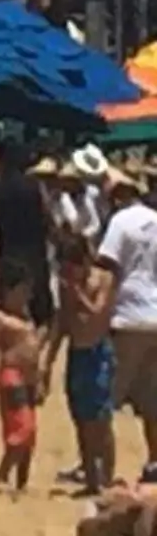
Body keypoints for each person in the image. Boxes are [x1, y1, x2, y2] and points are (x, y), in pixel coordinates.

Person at [42, 234, 118, 492]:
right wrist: (48, 360)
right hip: (77, 353)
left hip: (98, 353)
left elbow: (98, 313)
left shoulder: (103, 279)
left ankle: (106, 476)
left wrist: (78, 294)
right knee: (80, 417)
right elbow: (62, 321)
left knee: (100, 419)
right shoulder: (65, 285)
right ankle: (91, 477)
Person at [98, 172, 157, 482]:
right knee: (153, 398)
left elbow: (108, 268)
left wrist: (100, 316)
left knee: (105, 397)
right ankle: (155, 462)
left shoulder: (120, 222)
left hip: (127, 316)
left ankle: (98, 463)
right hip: (155, 317)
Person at [0, 139, 54, 327]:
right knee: (39, 304)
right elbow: (48, 216)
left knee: (10, 304)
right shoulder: (34, 186)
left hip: (8, 250)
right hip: (35, 250)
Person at [0, 259, 41, 493]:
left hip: (28, 378)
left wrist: (38, 382)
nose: (25, 296)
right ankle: (1, 475)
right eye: (21, 291)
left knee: (31, 432)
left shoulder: (26, 317)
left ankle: (21, 482)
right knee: (21, 428)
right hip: (11, 375)